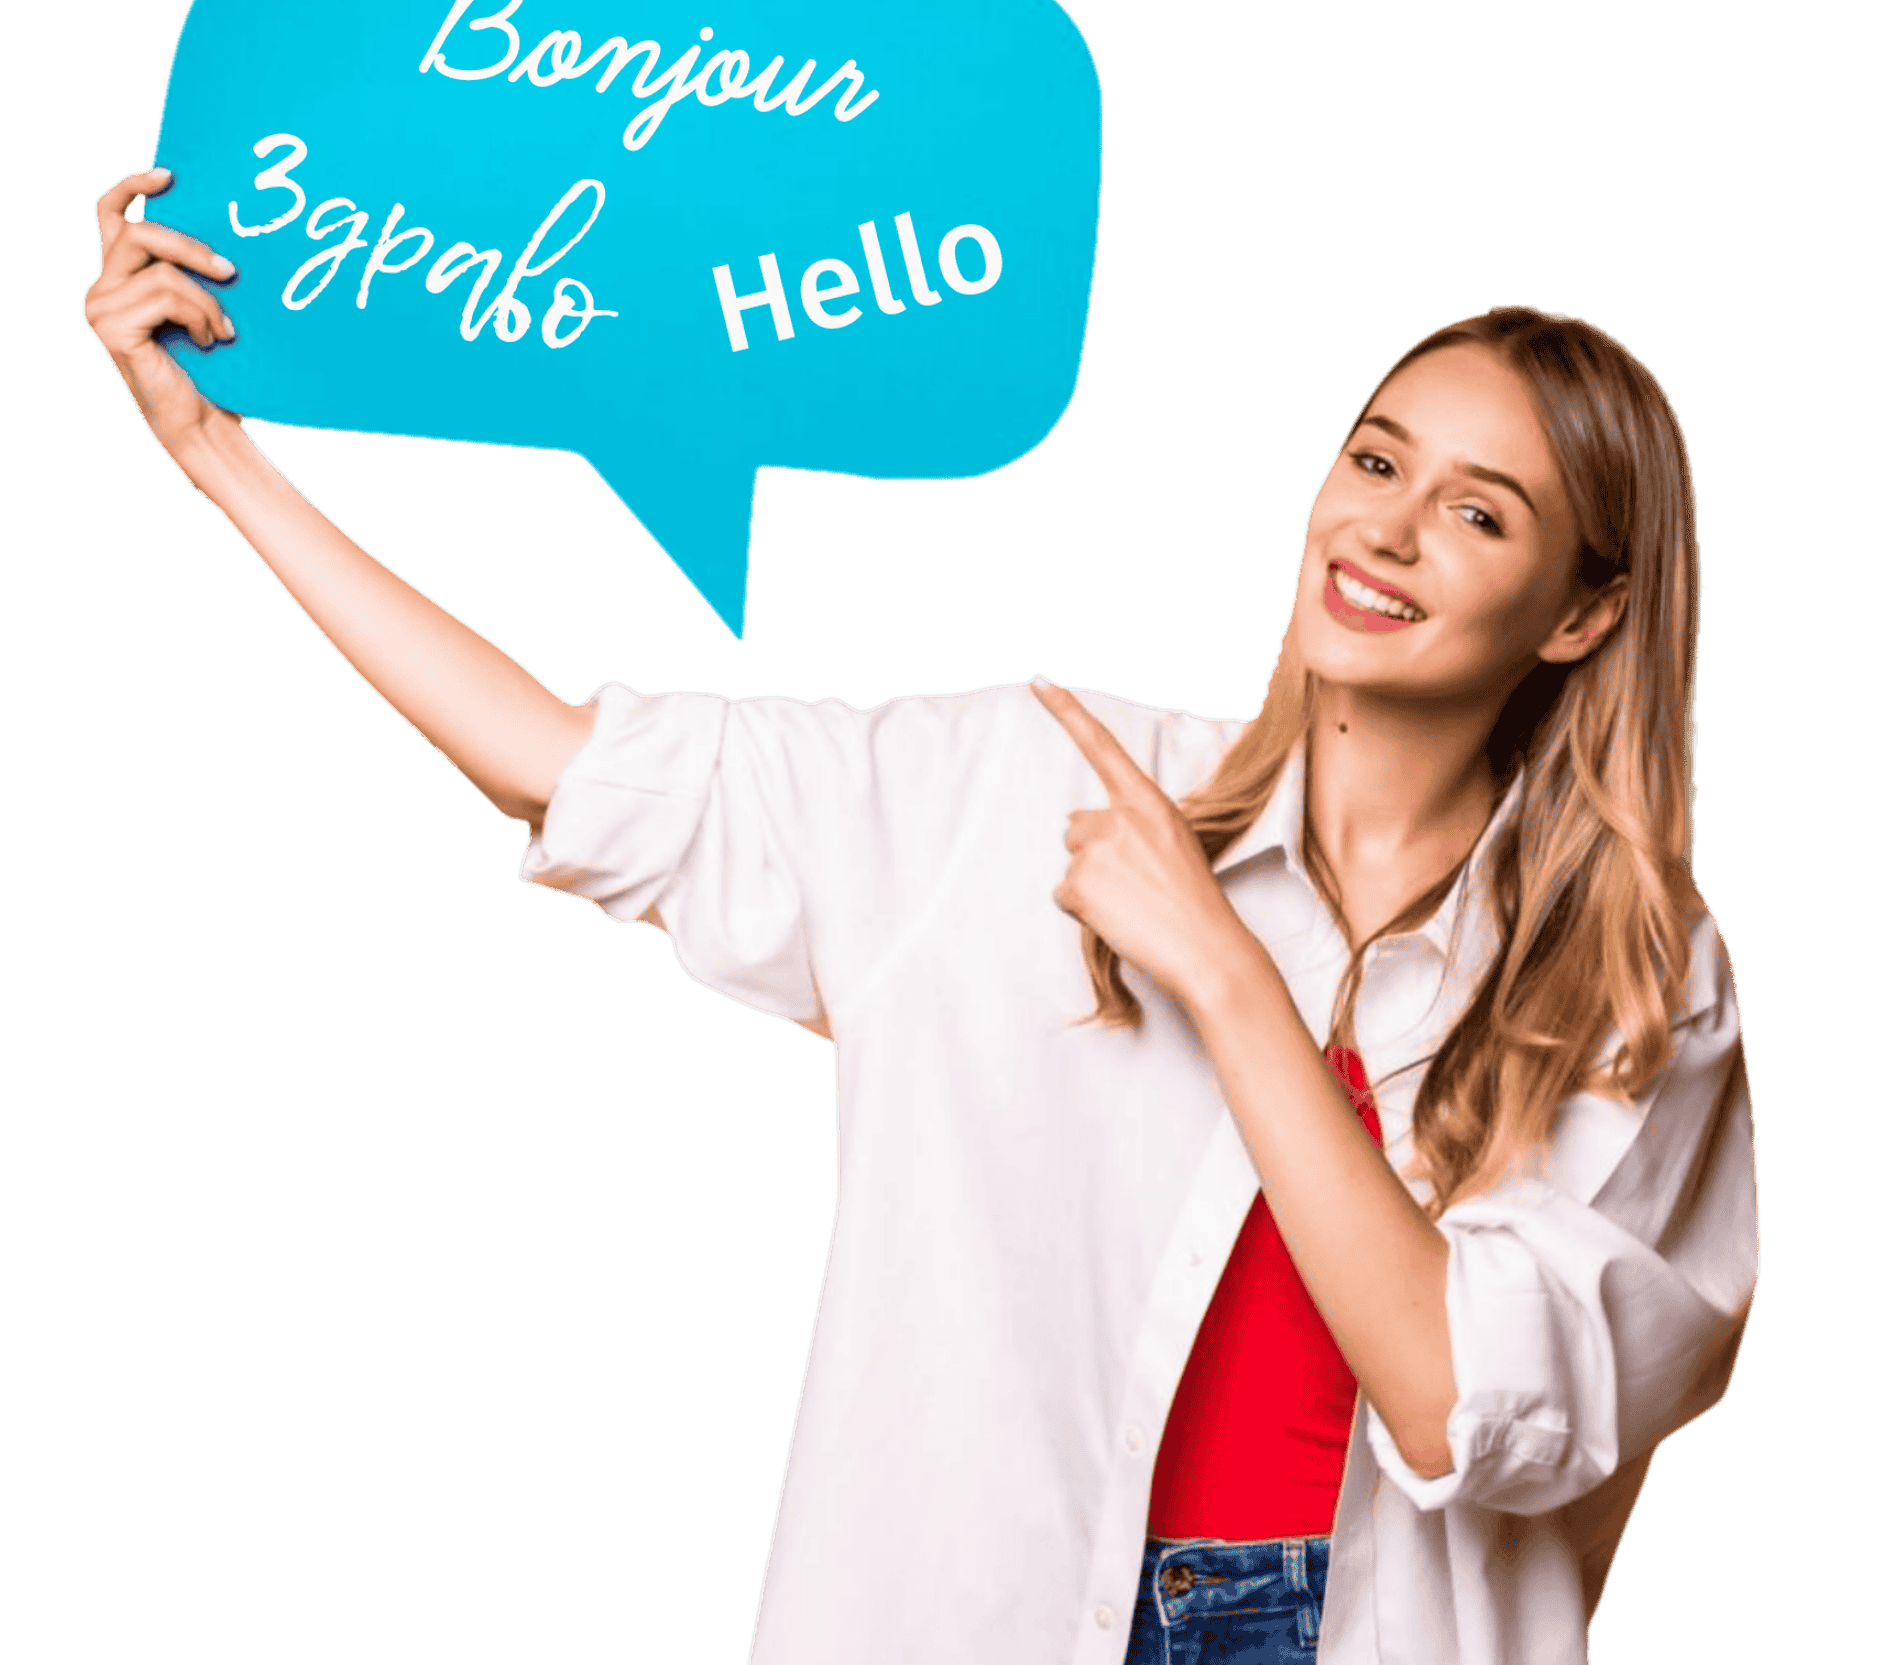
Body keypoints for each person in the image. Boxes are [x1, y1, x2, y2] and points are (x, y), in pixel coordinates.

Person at [84, 167, 1758, 1665]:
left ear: (1582, 610)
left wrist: (1226, 977)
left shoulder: (1639, 981)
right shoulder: (1020, 792)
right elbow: (556, 769)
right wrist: (214, 451)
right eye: (1376, 458)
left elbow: (1476, 1404)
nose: (1385, 526)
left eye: (1480, 511)